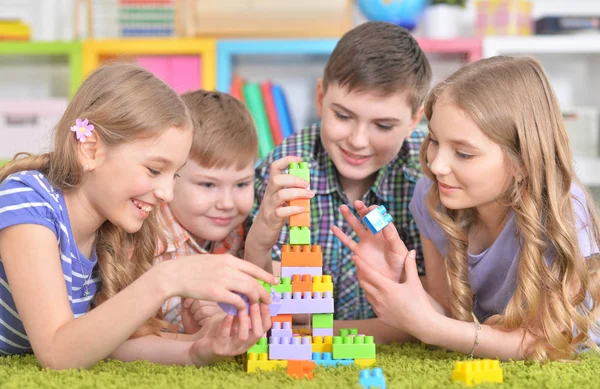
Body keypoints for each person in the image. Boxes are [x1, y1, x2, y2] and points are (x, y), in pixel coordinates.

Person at [0, 63, 278, 369]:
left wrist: (197, 345)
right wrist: (168, 278)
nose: (167, 194)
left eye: (175, 175)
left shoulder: (113, 226)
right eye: (155, 170)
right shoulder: (28, 200)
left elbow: (107, 341)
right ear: (91, 150)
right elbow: (57, 352)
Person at [333, 56, 600, 361]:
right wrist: (398, 279)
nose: (436, 164)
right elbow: (447, 312)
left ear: (522, 162)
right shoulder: (430, 195)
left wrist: (429, 327)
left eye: (463, 153)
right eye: (434, 140)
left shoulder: (562, 209)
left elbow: (545, 344)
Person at [248, 21, 432, 342]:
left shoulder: (426, 175)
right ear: (321, 98)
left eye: (383, 125)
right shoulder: (288, 168)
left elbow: (432, 311)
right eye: (343, 117)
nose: (358, 141)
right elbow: (270, 301)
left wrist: (317, 335)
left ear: (414, 121)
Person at [155, 90, 312, 333]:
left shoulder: (237, 231)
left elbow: (300, 306)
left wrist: (259, 249)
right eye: (208, 185)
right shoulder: (148, 237)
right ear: (171, 175)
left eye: (241, 184)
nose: (227, 203)